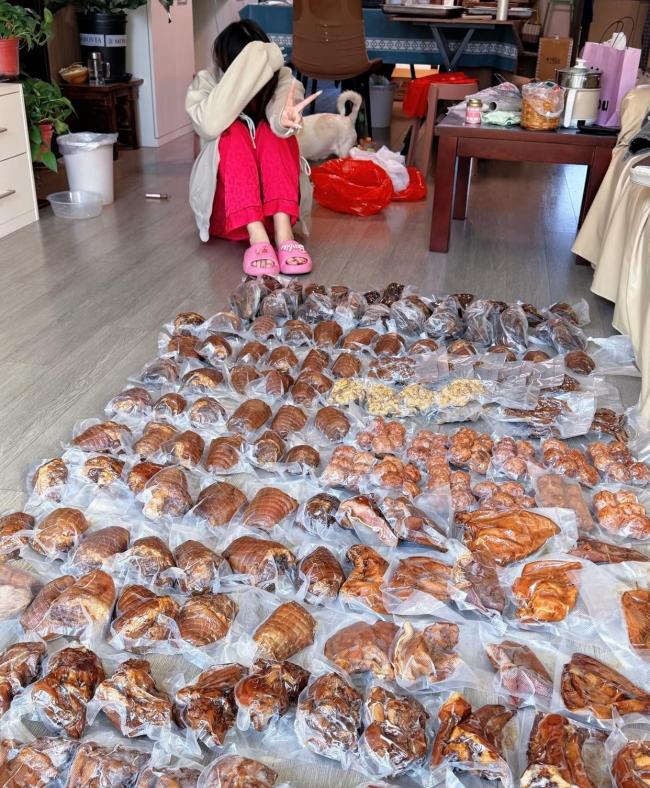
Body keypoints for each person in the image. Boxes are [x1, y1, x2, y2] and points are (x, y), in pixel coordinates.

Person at [186, 20, 319, 276]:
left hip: (277, 211)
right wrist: (246, 73)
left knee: (273, 133)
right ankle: (258, 239)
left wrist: (284, 118)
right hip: (230, 214)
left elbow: (283, 109)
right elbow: (209, 125)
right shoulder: (207, 81)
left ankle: (284, 236)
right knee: (232, 132)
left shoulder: (281, 78)